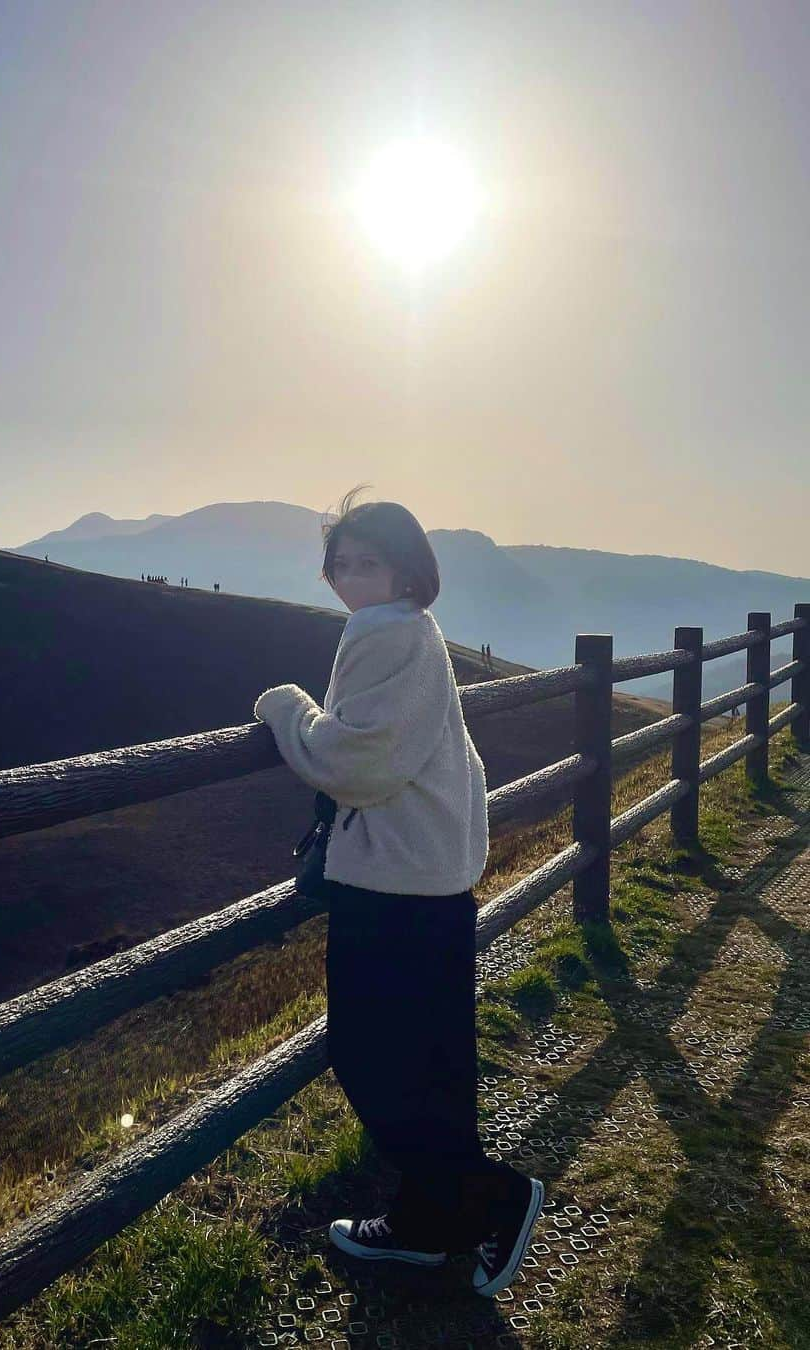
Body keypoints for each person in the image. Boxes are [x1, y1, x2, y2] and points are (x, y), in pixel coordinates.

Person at [253, 484, 544, 1295]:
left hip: (392, 886)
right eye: (339, 565)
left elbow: (356, 765)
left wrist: (288, 709)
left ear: (408, 571)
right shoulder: (415, 630)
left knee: (369, 1057)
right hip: (433, 880)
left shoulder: (384, 633)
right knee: (433, 1065)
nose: (350, 580)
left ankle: (492, 1197)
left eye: (367, 563)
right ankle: (428, 1224)